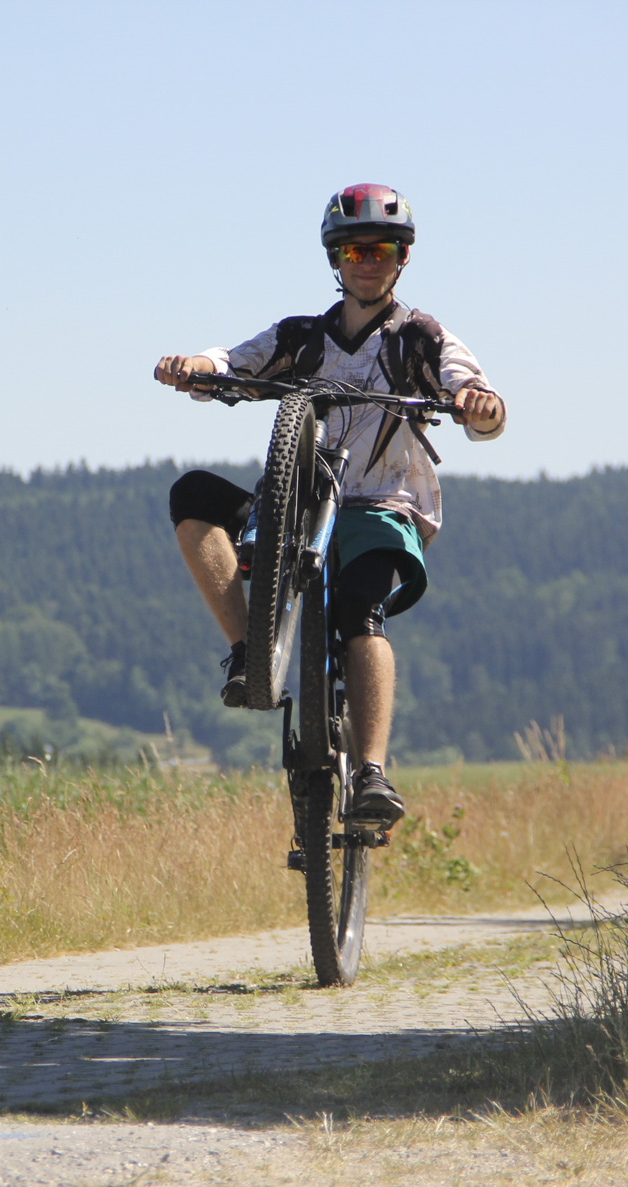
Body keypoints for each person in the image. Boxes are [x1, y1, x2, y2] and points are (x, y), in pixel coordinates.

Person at [153, 184, 505, 827]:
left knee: (359, 612)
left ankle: (371, 771)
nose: (367, 261)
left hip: (381, 506)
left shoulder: (418, 338)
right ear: (335, 259)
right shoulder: (303, 338)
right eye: (353, 251)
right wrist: (194, 366)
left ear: (402, 258)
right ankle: (249, 650)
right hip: (296, 504)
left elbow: (472, 391)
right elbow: (234, 362)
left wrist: (479, 406)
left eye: (381, 250)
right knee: (192, 495)